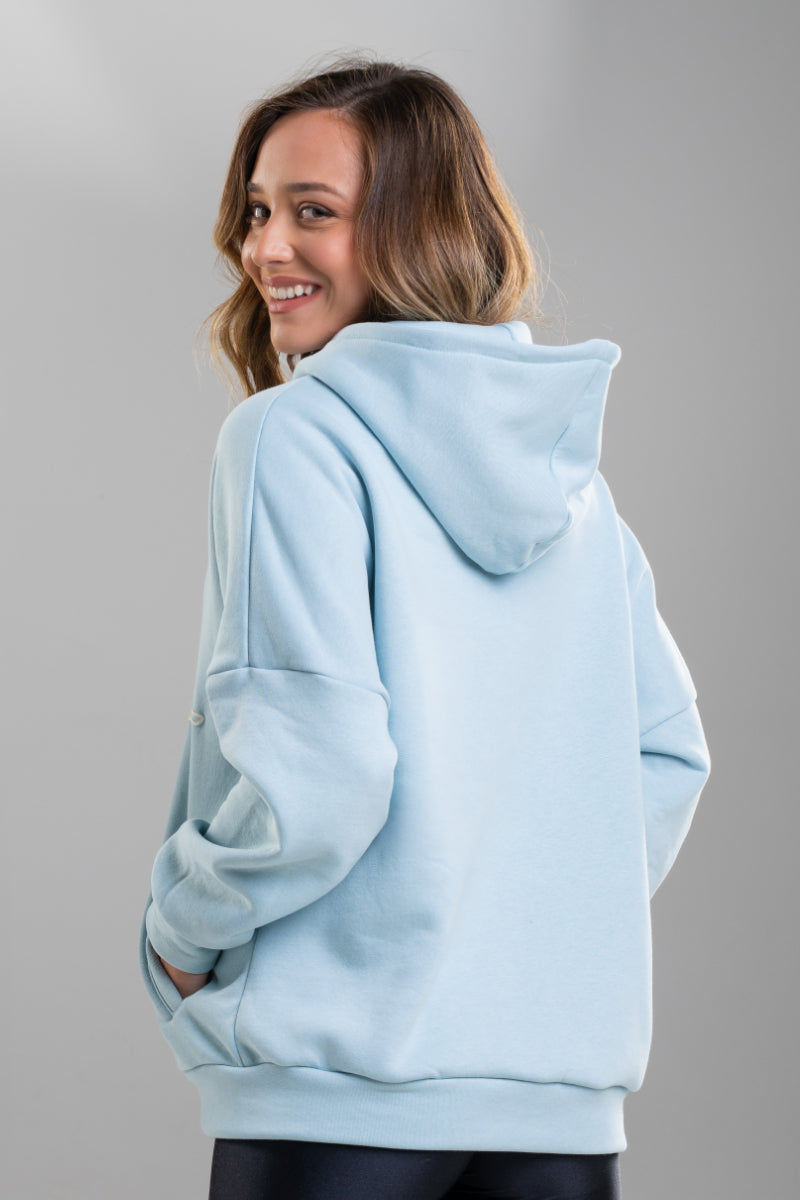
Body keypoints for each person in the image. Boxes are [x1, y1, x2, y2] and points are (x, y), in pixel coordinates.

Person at [138, 56, 711, 1200]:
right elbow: (663, 757)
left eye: (313, 212)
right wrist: (509, 925)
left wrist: (182, 928)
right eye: (256, 211)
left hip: (337, 1094)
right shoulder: (571, 488)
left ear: (417, 227)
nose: (263, 249)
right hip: (556, 1113)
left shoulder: (290, 438)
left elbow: (319, 772)